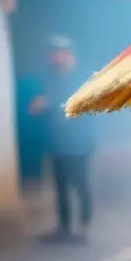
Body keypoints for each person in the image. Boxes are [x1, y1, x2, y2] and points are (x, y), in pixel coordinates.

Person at [29, 36, 94, 244]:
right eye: (52, 53)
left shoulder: (82, 77)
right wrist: (39, 107)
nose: (54, 57)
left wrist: (51, 104)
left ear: (68, 55)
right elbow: (45, 101)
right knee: (60, 187)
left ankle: (83, 226)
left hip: (78, 143)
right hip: (57, 142)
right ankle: (64, 228)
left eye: (57, 52)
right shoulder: (51, 77)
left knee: (80, 185)